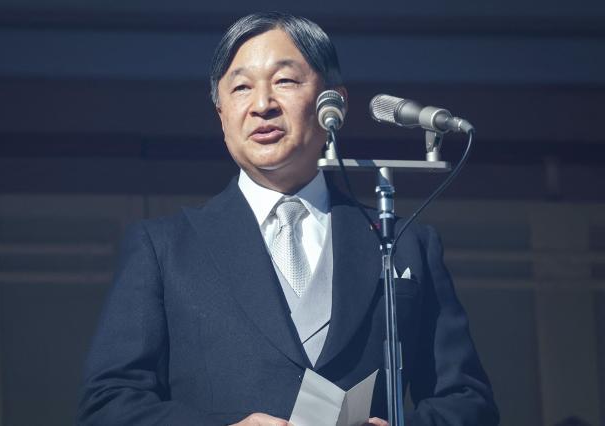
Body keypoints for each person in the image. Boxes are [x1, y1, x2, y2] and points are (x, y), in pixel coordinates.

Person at [77, 11, 499, 426]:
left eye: (285, 81)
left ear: (334, 102)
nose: (262, 105)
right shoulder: (164, 248)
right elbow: (109, 405)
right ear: (221, 113)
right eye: (241, 87)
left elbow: (467, 402)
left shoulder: (404, 241)